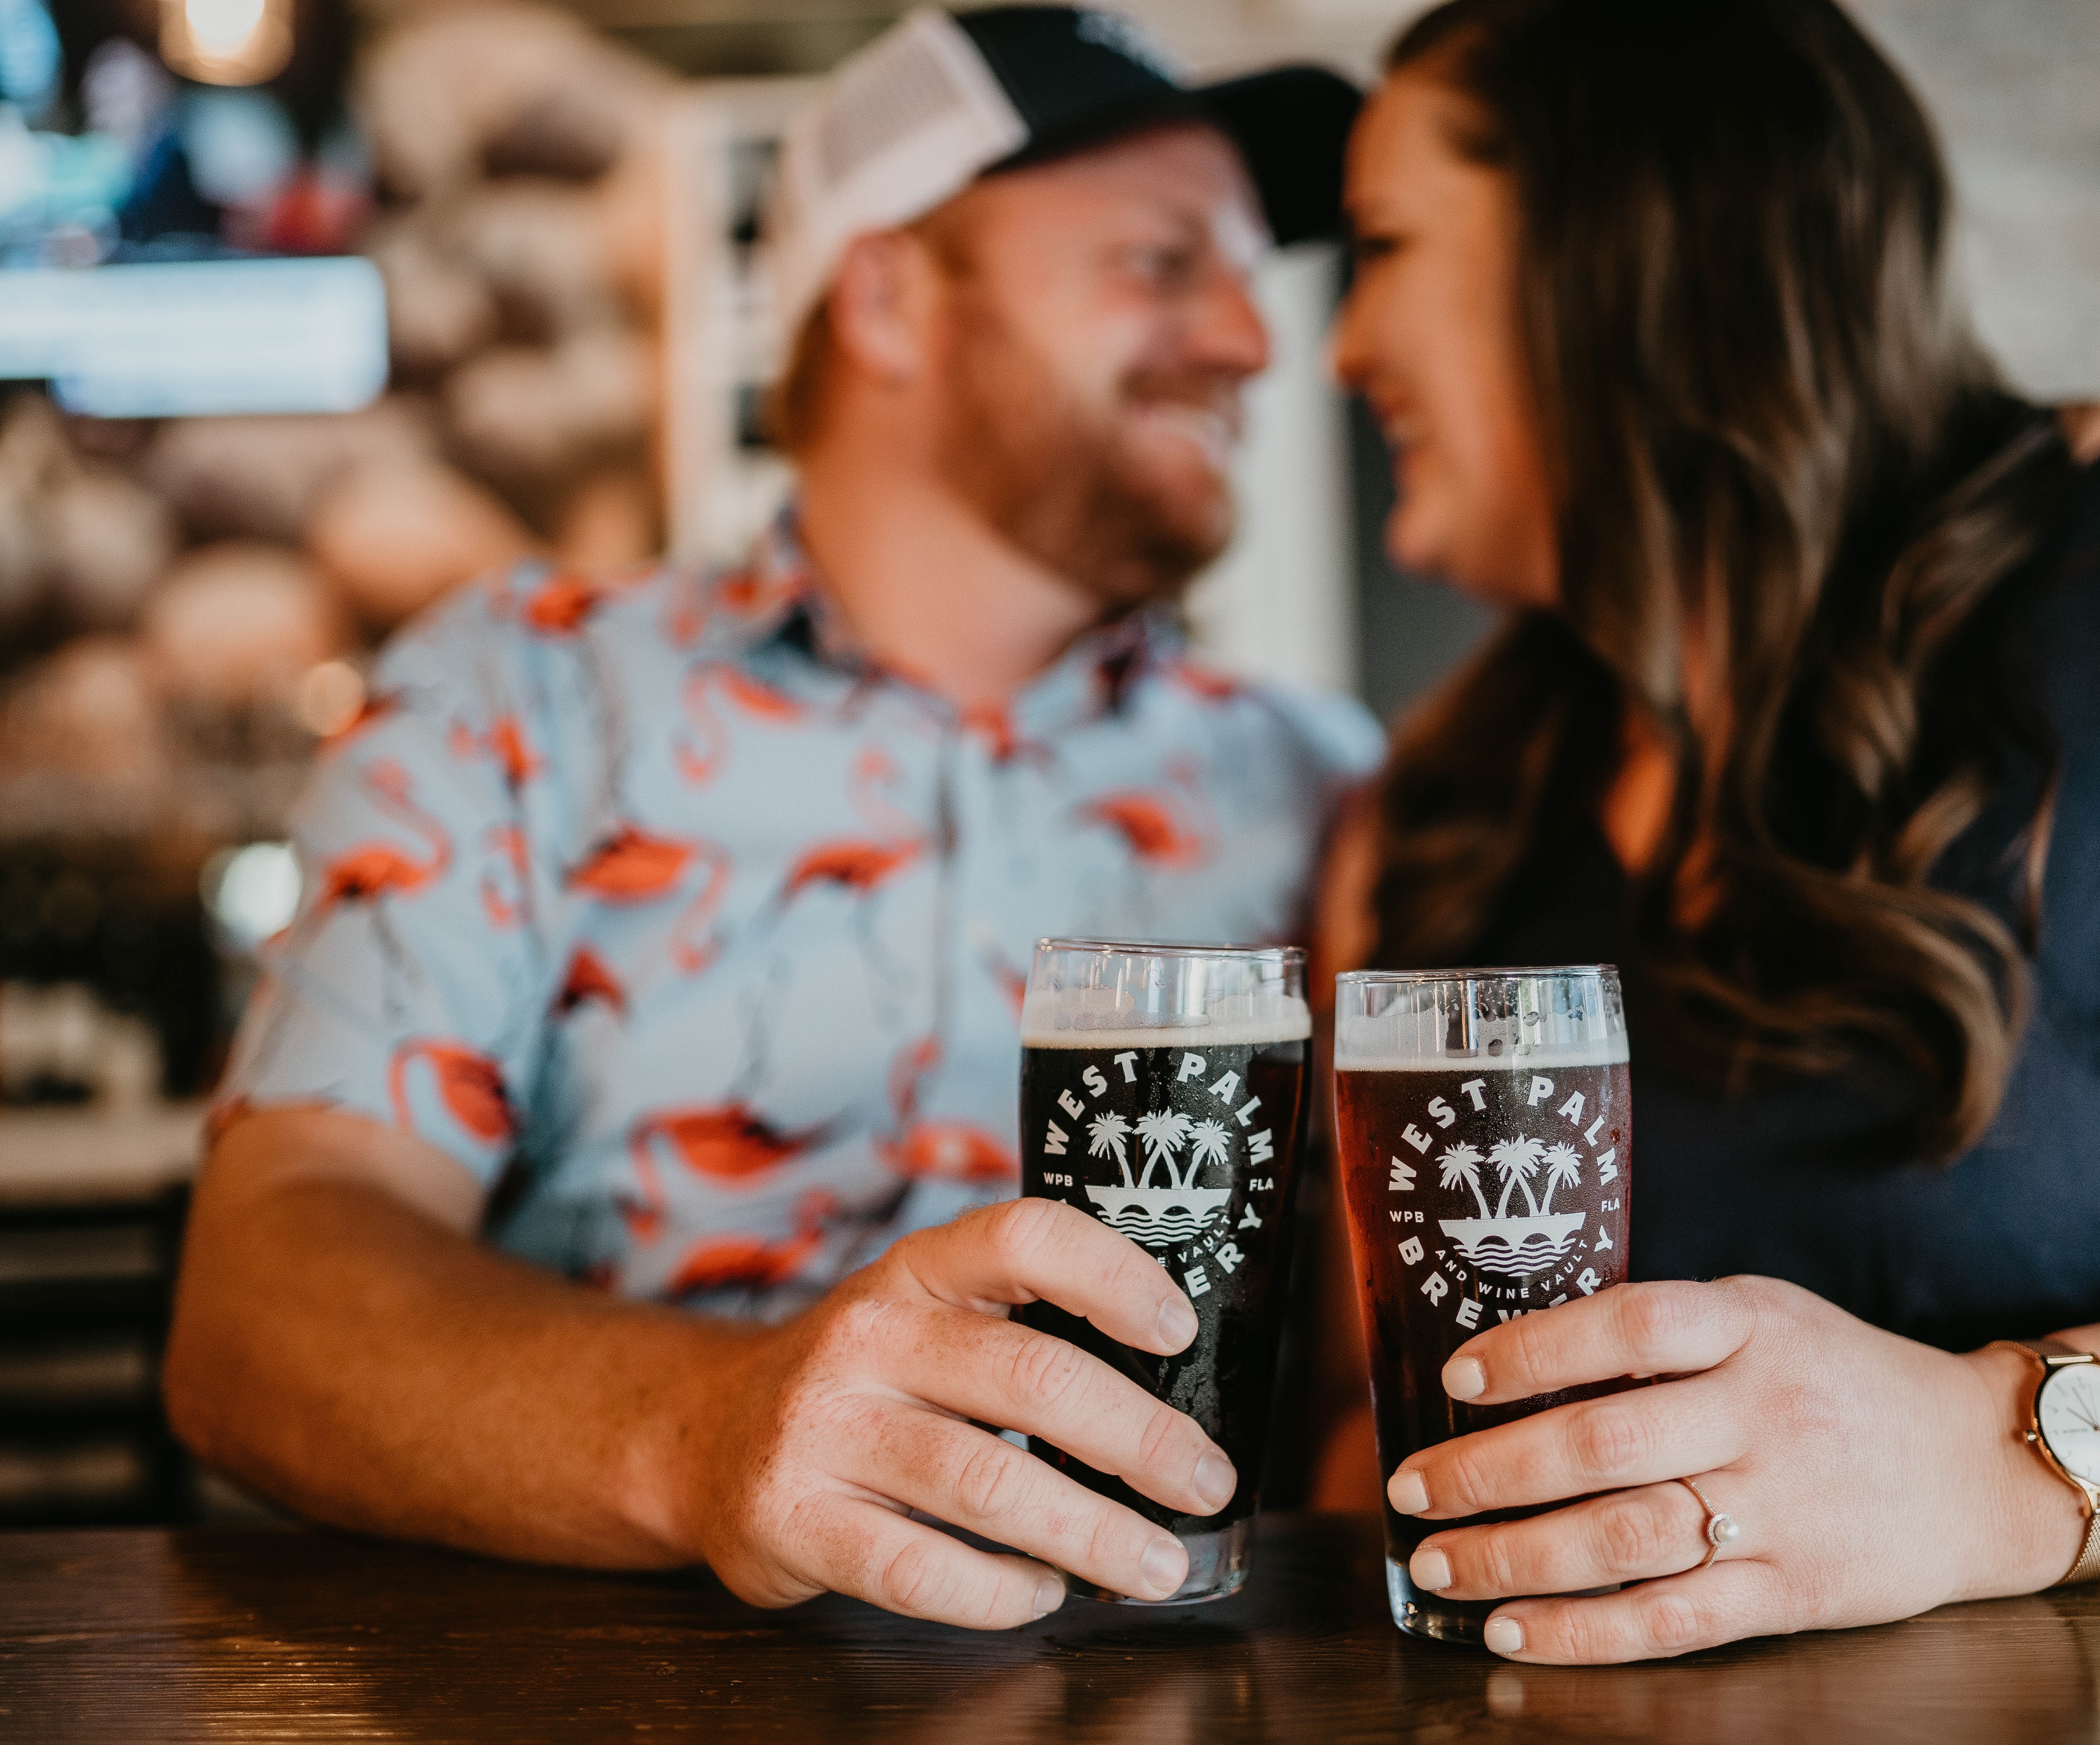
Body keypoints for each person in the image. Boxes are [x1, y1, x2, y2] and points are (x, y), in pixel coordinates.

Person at [1312, 0, 2100, 1664]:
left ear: (1621, 235)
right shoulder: (1428, 811)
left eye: (1383, 247)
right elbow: (1377, 1470)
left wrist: (1989, 1462)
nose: (1343, 350)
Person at [165, 6, 1377, 1628]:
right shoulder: (519, 699)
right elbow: (264, 1308)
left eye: (1244, 275)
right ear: (886, 298)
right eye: (1162, 264)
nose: (1250, 339)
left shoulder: (1321, 780)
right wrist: (713, 1427)